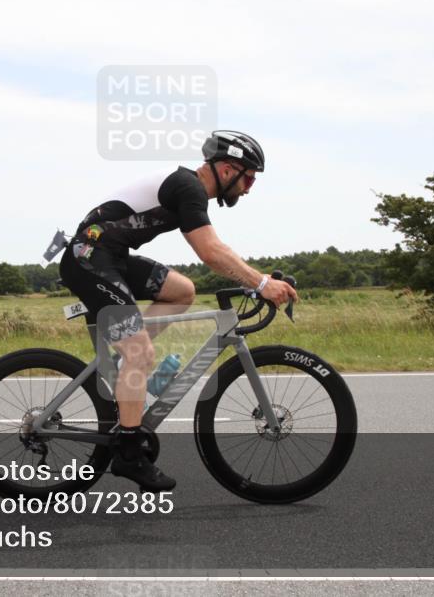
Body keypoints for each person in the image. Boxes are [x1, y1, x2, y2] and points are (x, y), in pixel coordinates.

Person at [58, 130, 297, 491]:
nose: (249, 188)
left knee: (182, 290)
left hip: (112, 257)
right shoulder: (189, 187)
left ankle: (127, 366)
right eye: (249, 177)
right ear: (229, 169)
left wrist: (256, 280)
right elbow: (210, 251)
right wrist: (261, 283)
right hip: (89, 258)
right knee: (141, 352)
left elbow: (217, 248)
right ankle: (128, 453)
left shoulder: (189, 188)